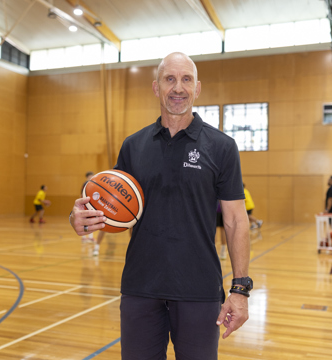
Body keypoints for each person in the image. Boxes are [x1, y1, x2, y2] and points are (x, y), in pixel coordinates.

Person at [70, 52, 252, 360]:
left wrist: (240, 289)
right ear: (156, 88)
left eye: (186, 80)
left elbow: (236, 220)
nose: (178, 88)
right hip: (141, 288)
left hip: (198, 290)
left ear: (197, 89)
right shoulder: (133, 145)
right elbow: (110, 206)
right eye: (170, 79)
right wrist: (80, 218)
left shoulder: (221, 147)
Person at [80, 172, 96, 244]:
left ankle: (89, 236)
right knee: (87, 221)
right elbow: (82, 194)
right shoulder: (86, 184)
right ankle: (85, 236)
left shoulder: (92, 183)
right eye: (91, 176)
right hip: (86, 204)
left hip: (90, 204)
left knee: (89, 221)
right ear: (88, 176)